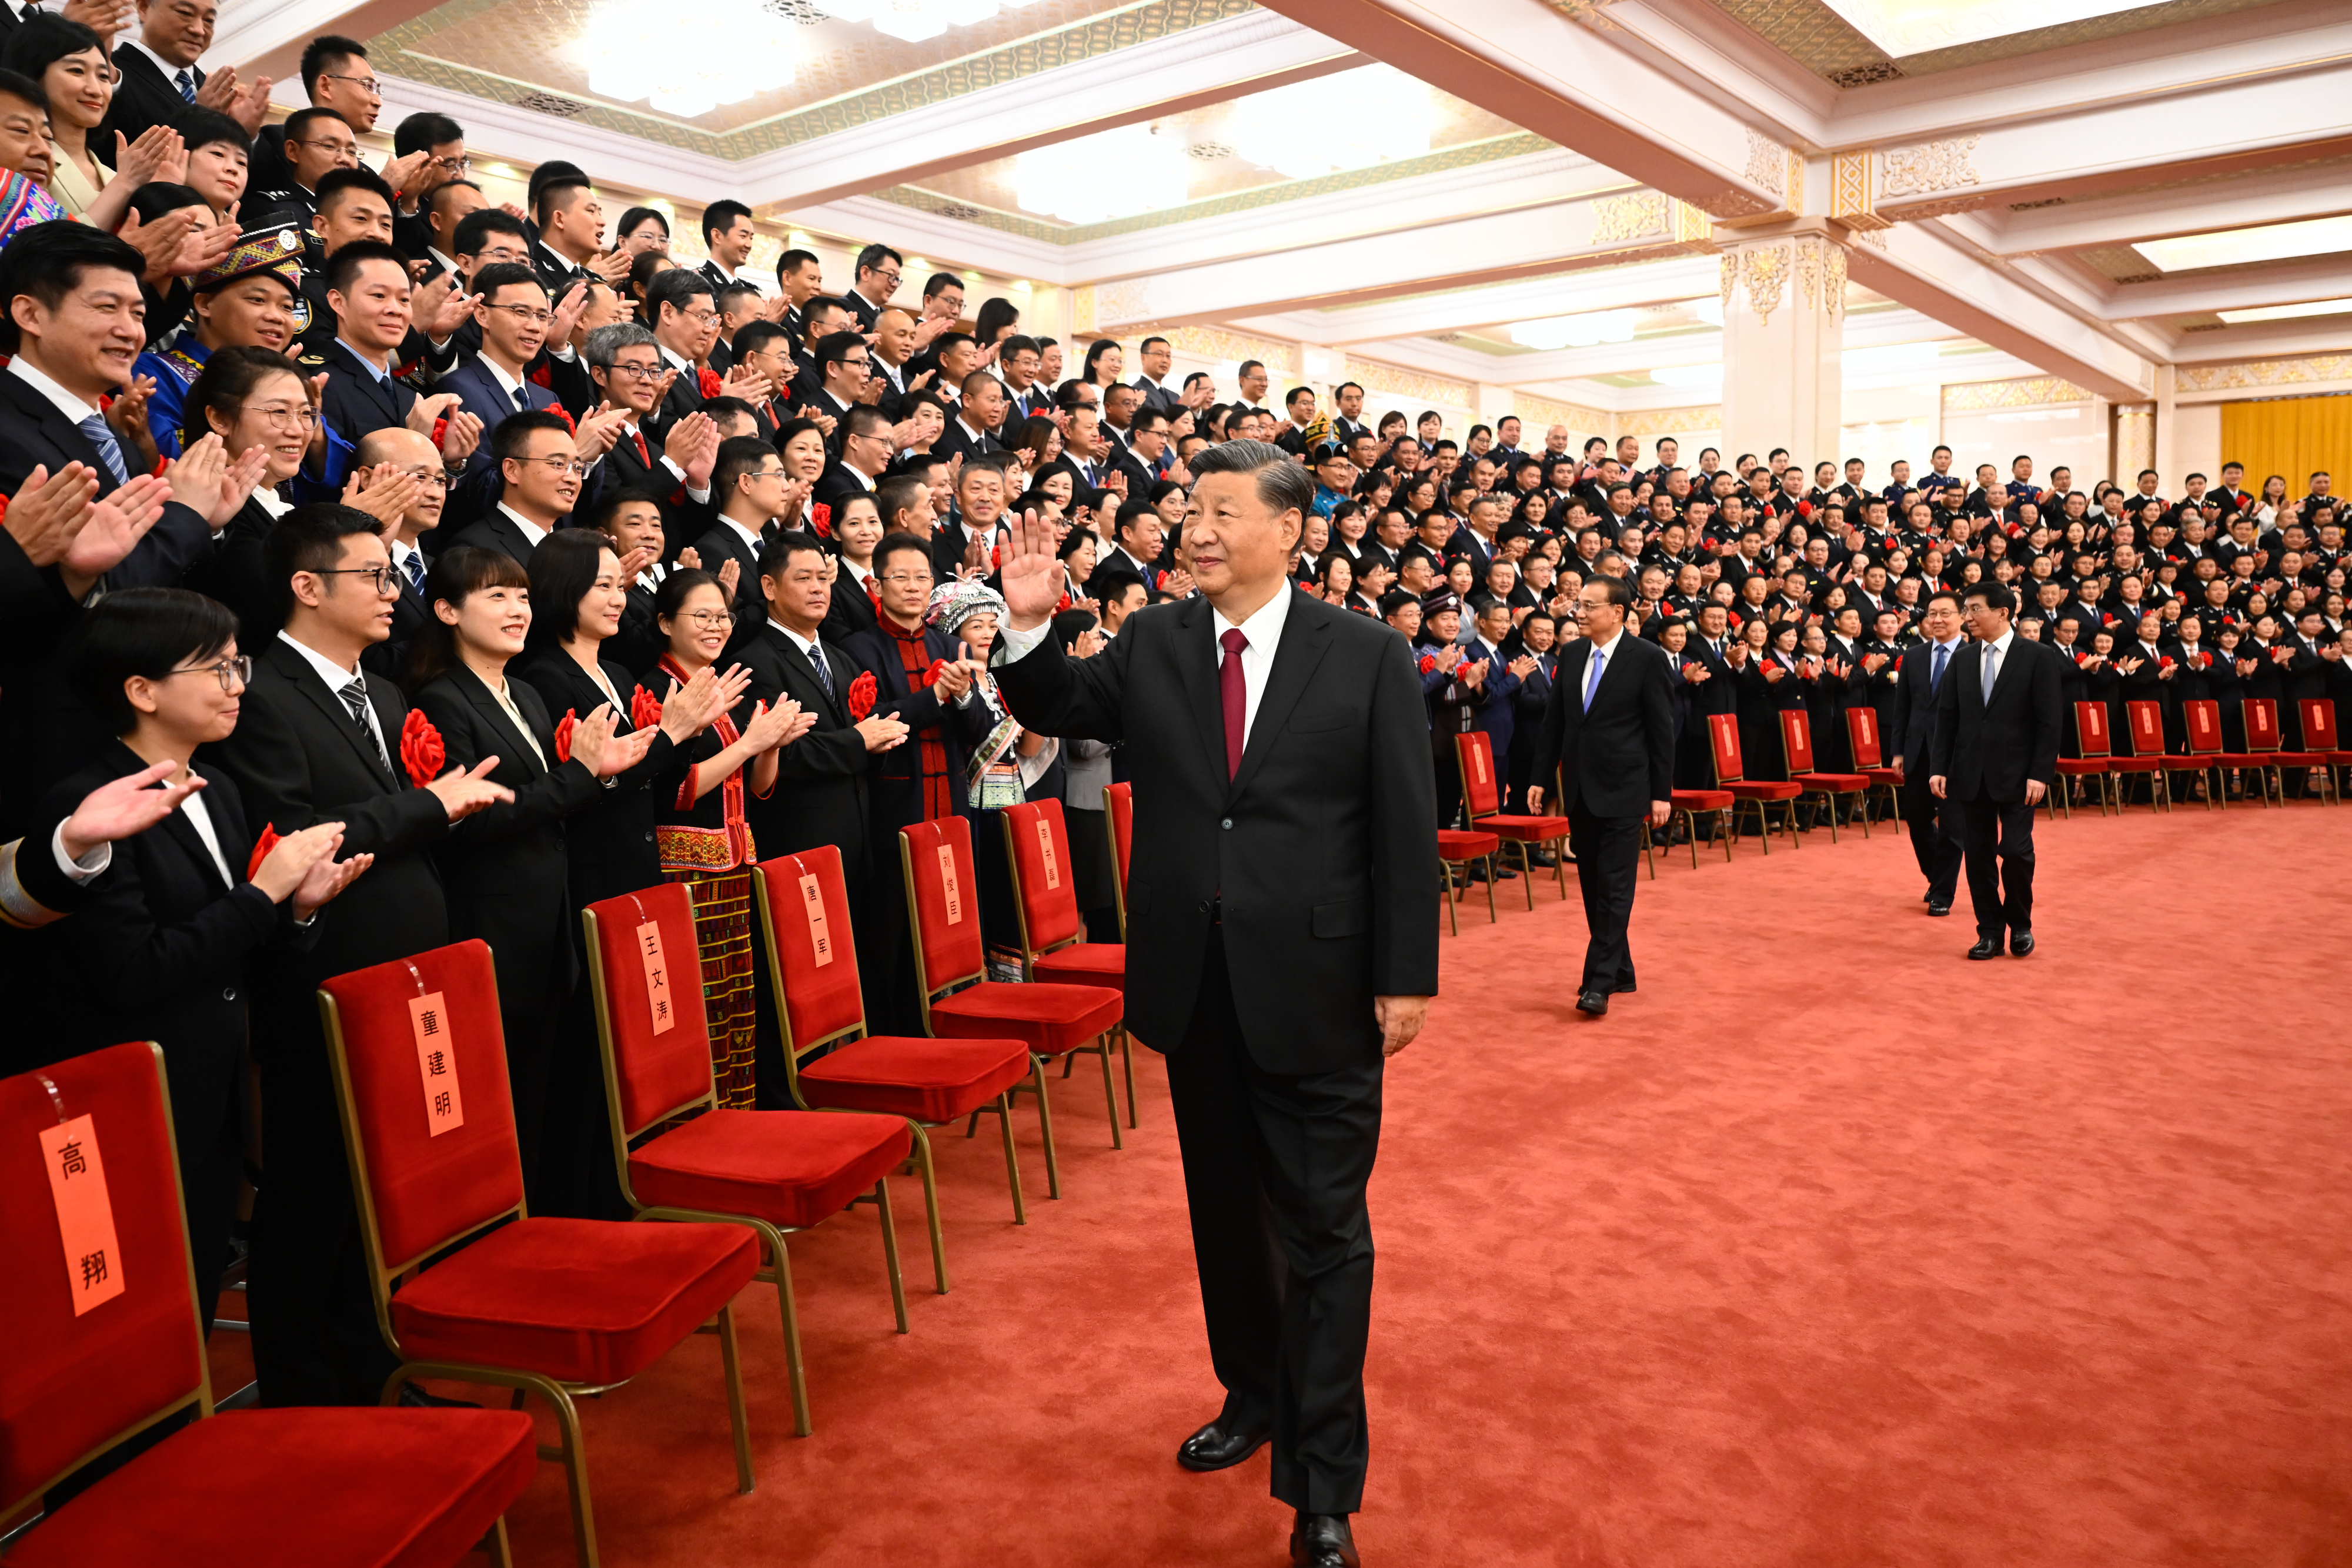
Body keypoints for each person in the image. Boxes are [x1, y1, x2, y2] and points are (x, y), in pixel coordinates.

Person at [992, 438, 1437, 1568]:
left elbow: (1402, 821)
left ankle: (1323, 1485)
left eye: (1221, 510)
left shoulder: (1368, 653)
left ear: (1288, 529)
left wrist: (1405, 972)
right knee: (1227, 1219)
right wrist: (1031, 625)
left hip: (1326, 987)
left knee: (1328, 1235)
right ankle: (1252, 1392)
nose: (1195, 528)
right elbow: (1058, 701)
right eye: (1190, 508)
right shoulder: (1154, 638)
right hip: (1196, 988)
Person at [203, 503, 512, 1407]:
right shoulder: (258, 694)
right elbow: (298, 833)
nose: (393, 592)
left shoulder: (381, 691)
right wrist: (432, 806)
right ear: (307, 587)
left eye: (392, 574)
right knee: (312, 1182)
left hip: (401, 960)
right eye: (374, 576)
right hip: (320, 967)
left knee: (377, 1174)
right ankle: (302, 1383)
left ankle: (368, 1355)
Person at [42, 588, 370, 1332]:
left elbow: (237, 943)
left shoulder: (215, 786)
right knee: (125, 1314)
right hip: (134, 1094)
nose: (237, 688)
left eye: (239, 667)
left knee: (188, 1291)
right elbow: (133, 971)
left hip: (214, 1084)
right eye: (216, 670)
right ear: (142, 691)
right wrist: (264, 895)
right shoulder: (90, 804)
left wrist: (299, 910)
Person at [403, 544, 653, 1202]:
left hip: (549, 923)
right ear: (447, 611)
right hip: (491, 927)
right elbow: (469, 821)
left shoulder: (524, 696)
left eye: (520, 596)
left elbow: (558, 804)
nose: (516, 609)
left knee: (545, 1094)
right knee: (499, 1102)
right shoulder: (441, 701)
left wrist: (603, 772)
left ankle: (551, 1220)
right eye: (495, 597)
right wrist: (581, 776)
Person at [642, 567, 808, 1107]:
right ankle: (704, 1129)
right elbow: (678, 790)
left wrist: (771, 743)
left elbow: (758, 788)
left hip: (736, 867)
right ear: (666, 622)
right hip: (687, 874)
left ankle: (740, 1116)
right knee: (700, 1004)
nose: (716, 627)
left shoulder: (724, 684)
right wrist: (748, 744)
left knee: (738, 1002)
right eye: (702, 616)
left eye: (723, 616)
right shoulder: (656, 690)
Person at [1528, 573, 1675, 1016]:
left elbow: (1661, 730)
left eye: (1590, 605)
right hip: (1579, 787)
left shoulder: (1647, 658)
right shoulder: (1571, 654)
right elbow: (1555, 721)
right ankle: (1621, 967)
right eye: (1580, 604)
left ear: (1618, 612)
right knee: (1593, 885)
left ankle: (1599, 981)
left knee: (1615, 885)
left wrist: (1661, 792)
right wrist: (1539, 776)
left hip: (1628, 788)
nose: (1581, 612)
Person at [1929, 581, 2062, 959]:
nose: (1966, 617)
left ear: (2003, 612)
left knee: (2017, 852)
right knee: (1979, 856)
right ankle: (1989, 931)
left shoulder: (2037, 656)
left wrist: (2041, 772)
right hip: (1970, 773)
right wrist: (1939, 766)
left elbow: (2049, 722)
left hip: (2021, 777)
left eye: (1974, 610)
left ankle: (2021, 925)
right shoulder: (1963, 659)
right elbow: (1948, 717)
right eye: (1966, 610)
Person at [1893, 591, 1967, 915]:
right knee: (1918, 820)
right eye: (1932, 613)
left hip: (1956, 755)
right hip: (1918, 751)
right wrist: (1898, 751)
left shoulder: (1975, 655)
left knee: (1952, 825)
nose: (1938, 619)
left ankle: (1942, 893)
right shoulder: (1914, 655)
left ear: (1962, 617)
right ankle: (1936, 877)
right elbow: (1903, 708)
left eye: (1946, 613)